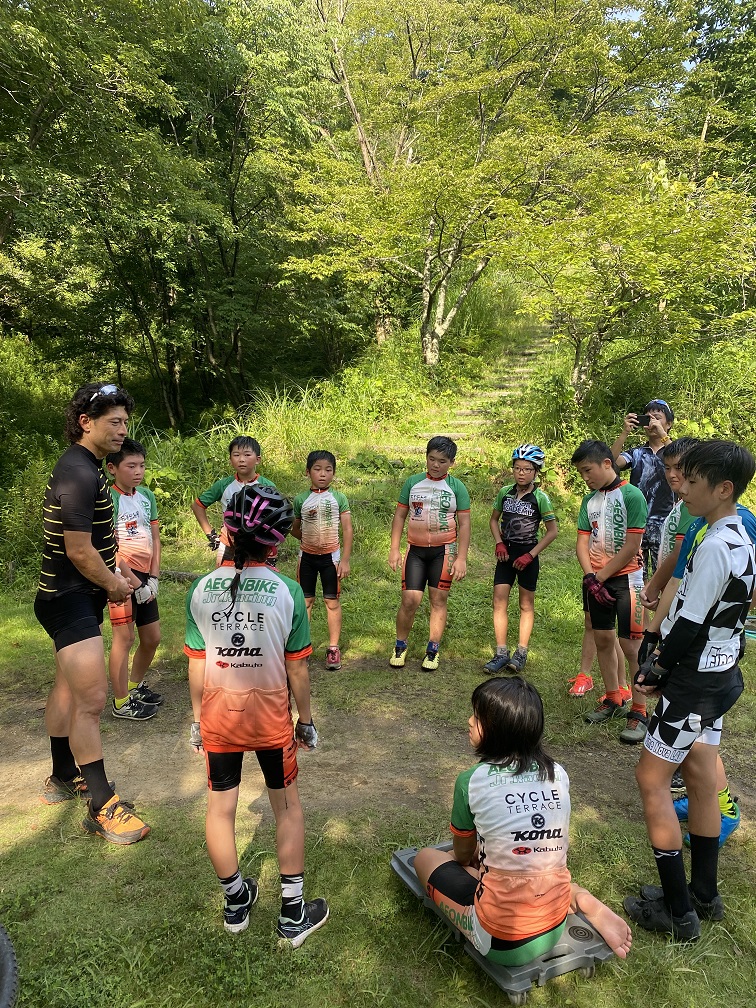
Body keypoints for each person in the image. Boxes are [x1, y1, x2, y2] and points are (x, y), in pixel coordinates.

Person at [184, 484, 328, 944]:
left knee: (220, 808)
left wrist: (197, 721)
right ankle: (292, 914)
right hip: (270, 717)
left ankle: (235, 903)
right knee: (286, 807)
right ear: (278, 541)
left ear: (228, 530)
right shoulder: (288, 591)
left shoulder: (201, 588)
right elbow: (298, 668)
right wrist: (306, 720)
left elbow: (196, 664)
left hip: (218, 715)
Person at [625, 441, 755, 941]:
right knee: (700, 774)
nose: (684, 489)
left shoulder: (717, 544)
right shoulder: (739, 537)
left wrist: (657, 667)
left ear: (723, 489)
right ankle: (704, 893)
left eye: (693, 481)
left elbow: (690, 621)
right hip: (720, 674)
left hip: (694, 681)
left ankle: (678, 913)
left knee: (652, 779)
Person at [414, 677, 632, 966]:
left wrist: (463, 858)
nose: (469, 721)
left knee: (426, 858)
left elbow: (464, 854)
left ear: (498, 731)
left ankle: (499, 894)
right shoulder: (557, 772)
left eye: (477, 717)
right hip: (554, 924)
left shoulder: (471, 781)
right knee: (526, 861)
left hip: (501, 941)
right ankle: (576, 894)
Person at [35, 382, 150, 844]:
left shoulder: (88, 467)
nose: (123, 430)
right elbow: (79, 551)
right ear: (86, 422)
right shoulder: (78, 473)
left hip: (71, 595)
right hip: (68, 600)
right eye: (114, 422)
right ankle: (102, 806)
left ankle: (63, 775)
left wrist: (118, 567)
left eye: (125, 422)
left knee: (68, 687)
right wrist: (114, 584)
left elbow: (96, 543)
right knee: (93, 699)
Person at [571, 440, 649, 743]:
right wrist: (590, 577)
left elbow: (632, 546)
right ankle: (613, 697)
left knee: (631, 646)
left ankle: (639, 711)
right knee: (603, 638)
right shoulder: (589, 500)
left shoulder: (632, 495)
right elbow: (582, 542)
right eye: (581, 473)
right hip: (596, 580)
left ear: (607, 463)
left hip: (628, 580)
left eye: (588, 470)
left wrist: (599, 577)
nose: (585, 478)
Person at [388, 436, 471, 671]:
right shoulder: (413, 482)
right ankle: (400, 646)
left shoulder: (457, 487)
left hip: (444, 551)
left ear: (452, 463)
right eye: (432, 459)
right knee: (409, 600)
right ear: (426, 457)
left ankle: (433, 650)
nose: (435, 465)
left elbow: (465, 524)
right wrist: (394, 549)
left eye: (442, 461)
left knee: (438, 600)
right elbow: (400, 516)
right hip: (415, 550)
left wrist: (461, 558)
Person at [483, 445, 559, 674]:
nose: (521, 473)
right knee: (499, 601)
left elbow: (552, 531)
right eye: (517, 468)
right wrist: (498, 542)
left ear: (536, 472)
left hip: (527, 555)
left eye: (527, 469)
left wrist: (531, 555)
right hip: (506, 554)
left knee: (526, 604)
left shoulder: (540, 498)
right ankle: (501, 652)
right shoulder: (505, 493)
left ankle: (521, 652)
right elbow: (494, 520)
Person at [105, 438, 163, 720]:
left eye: (141, 465)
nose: (138, 471)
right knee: (124, 638)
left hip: (145, 575)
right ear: (112, 468)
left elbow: (155, 539)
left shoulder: (147, 496)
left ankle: (133, 685)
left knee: (152, 637)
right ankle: (120, 702)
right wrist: (135, 583)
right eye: (131, 466)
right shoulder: (108, 497)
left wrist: (153, 577)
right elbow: (108, 547)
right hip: (120, 577)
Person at [291, 450, 353, 671]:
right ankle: (303, 647)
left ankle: (333, 648)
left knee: (332, 602)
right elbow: (294, 528)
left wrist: (345, 560)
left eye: (328, 470)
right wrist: (307, 539)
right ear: (308, 472)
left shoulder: (339, 498)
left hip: (331, 559)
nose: (323, 474)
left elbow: (347, 529)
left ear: (334, 473)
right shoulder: (300, 499)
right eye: (317, 469)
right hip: (306, 558)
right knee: (305, 602)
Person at [611, 399, 675, 576]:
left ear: (669, 424)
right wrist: (624, 432)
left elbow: (683, 462)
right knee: (637, 574)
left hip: (666, 522)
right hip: (637, 522)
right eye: (648, 418)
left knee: (663, 574)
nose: (652, 422)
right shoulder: (637, 453)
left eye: (657, 418)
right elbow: (611, 463)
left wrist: (662, 434)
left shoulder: (672, 450)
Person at [191, 436, 277, 566]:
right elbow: (197, 506)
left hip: (260, 545)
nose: (241, 459)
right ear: (230, 460)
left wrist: (272, 545)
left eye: (247, 455)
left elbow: (277, 518)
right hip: (229, 544)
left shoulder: (268, 486)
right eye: (236, 455)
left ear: (258, 459)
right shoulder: (223, 485)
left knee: (258, 577)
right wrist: (210, 534)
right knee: (226, 577)